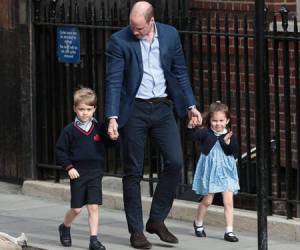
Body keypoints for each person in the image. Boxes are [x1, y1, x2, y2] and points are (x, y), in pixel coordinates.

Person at [105, 1, 202, 249]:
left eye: (138, 28)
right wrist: (112, 116)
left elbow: (180, 72)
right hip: (134, 109)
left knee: (175, 162)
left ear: (151, 21)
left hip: (162, 107)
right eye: (131, 27)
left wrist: (191, 106)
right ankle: (136, 231)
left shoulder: (169, 35)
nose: (134, 32)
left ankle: (156, 219)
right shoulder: (119, 41)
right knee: (133, 172)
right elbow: (114, 81)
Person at [56, 87, 116, 250]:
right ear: (75, 109)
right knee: (76, 209)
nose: (85, 113)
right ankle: (65, 227)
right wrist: (69, 168)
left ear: (94, 109)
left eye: (89, 109)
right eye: (81, 109)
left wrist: (113, 138)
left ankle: (93, 240)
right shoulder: (69, 131)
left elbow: (109, 145)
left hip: (95, 172)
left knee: (93, 206)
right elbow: (60, 151)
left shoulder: (99, 128)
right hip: (77, 173)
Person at [187, 101, 240, 242]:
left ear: (227, 120)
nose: (218, 124)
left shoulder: (229, 135)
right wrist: (191, 127)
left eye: (221, 120)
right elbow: (192, 137)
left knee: (228, 201)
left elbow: (233, 150)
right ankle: (198, 223)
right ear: (209, 120)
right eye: (214, 120)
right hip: (211, 171)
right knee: (208, 201)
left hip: (226, 171)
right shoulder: (205, 133)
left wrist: (228, 143)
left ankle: (229, 231)